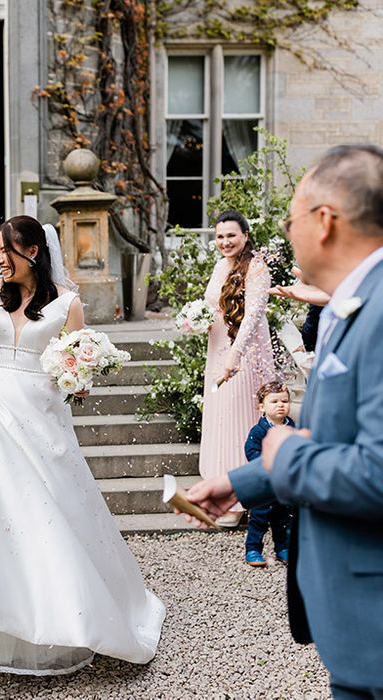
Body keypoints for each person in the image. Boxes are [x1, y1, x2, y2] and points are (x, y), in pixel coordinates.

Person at [0, 216, 165, 675]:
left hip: (41, 417)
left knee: (44, 515)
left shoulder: (68, 304)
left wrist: (79, 382)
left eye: (6, 252)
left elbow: (74, 361)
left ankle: (46, 616)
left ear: (33, 253)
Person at [183, 144, 383, 699]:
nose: (286, 235)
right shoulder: (351, 304)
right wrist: (243, 480)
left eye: (291, 221)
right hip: (351, 624)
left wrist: (284, 453)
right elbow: (336, 436)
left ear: (324, 223)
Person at [198, 210, 276, 528]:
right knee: (220, 419)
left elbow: (252, 318)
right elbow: (211, 306)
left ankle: (242, 498)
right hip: (216, 350)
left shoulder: (256, 268)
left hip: (244, 356)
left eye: (231, 235)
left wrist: (234, 357)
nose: (225, 241)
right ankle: (219, 489)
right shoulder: (220, 266)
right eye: (219, 236)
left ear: (245, 235)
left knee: (240, 421)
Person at [242, 382, 295, 568]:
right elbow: (251, 451)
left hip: (283, 484)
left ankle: (283, 547)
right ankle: (253, 549)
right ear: (262, 407)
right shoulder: (258, 431)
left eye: (285, 401)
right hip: (264, 484)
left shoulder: (292, 428)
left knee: (284, 517)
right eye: (274, 401)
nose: (281, 405)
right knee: (259, 517)